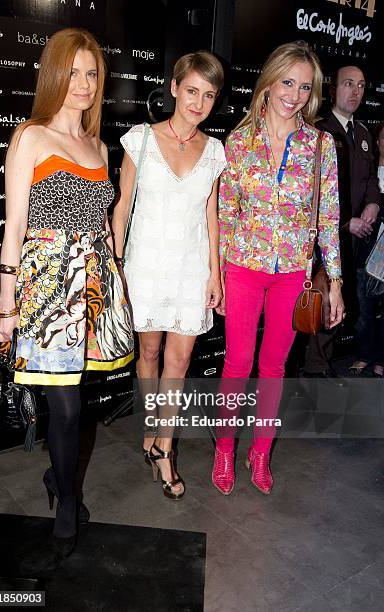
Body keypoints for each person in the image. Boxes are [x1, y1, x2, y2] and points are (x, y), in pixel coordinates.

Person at [0, 28, 133, 561]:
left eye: (91, 73)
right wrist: (6, 305)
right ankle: (68, 499)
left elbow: (102, 226)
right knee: (68, 410)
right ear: (55, 75)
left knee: (76, 404)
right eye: (73, 72)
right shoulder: (30, 137)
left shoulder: (99, 146)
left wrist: (115, 280)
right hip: (47, 292)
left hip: (92, 291)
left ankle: (59, 477)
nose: (83, 83)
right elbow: (13, 227)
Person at [212, 41, 344, 496]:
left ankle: (260, 452)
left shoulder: (320, 145)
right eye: (287, 82)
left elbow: (328, 216)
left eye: (305, 87)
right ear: (268, 82)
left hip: (292, 271)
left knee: (275, 366)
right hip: (243, 266)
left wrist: (337, 285)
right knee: (237, 363)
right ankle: (225, 448)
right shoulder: (238, 141)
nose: (294, 95)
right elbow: (225, 214)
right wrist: (219, 276)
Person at [112, 51, 226, 499]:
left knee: (179, 361)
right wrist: (115, 265)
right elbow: (121, 209)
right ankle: (150, 424)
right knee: (150, 353)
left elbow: (212, 218)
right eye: (192, 90)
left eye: (209, 95)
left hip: (190, 268)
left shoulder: (214, 151)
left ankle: (164, 448)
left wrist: (214, 276)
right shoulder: (139, 140)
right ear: (175, 88)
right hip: (145, 267)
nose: (198, 102)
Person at [303, 65, 381, 377]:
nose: (355, 91)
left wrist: (374, 203)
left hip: (357, 239)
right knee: (321, 303)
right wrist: (345, 221)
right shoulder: (318, 132)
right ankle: (314, 367)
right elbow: (310, 192)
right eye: (348, 84)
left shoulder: (362, 134)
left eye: (361, 85)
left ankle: (322, 363)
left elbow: (371, 178)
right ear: (333, 89)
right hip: (327, 236)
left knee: (342, 303)